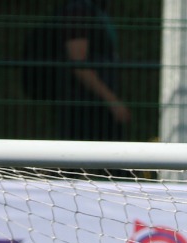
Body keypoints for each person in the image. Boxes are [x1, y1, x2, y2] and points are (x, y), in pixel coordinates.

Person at [23, 0, 130, 141]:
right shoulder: (77, 10)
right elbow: (78, 63)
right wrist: (112, 101)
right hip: (84, 108)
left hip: (94, 106)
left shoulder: (93, 10)